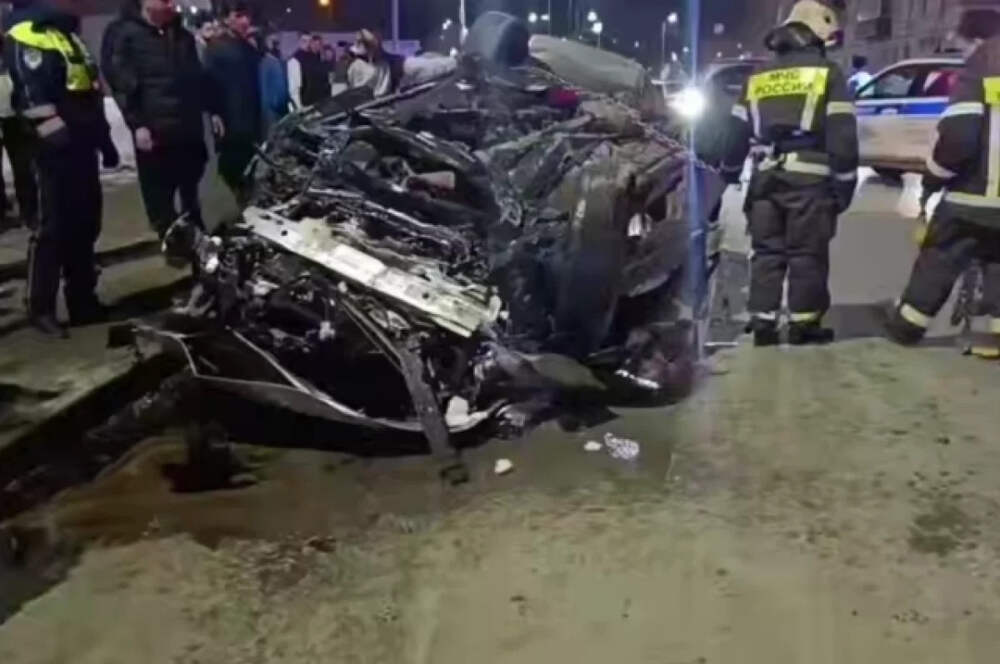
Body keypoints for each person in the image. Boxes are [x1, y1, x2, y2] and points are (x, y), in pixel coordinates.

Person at [720, 0, 858, 346]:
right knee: (806, 254)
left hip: (765, 180)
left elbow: (735, 132)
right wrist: (844, 185)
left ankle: (763, 323)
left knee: (766, 252)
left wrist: (730, 171)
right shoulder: (828, 73)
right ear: (816, 34)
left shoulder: (758, 76)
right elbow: (842, 135)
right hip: (810, 184)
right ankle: (803, 325)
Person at [885, 9, 1000, 357]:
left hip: (974, 196)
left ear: (977, 40)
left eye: (961, 43)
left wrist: (934, 176)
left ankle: (907, 325)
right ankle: (994, 334)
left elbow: (959, 138)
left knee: (941, 254)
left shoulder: (981, 67)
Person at [5, 2, 119, 336]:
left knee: (85, 225)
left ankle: (82, 300)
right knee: (52, 228)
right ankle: (41, 307)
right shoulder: (27, 34)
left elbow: (90, 92)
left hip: (82, 146)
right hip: (51, 151)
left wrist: (104, 141)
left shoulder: (68, 34)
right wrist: (55, 136)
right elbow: (30, 94)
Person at [101, 0, 211, 238]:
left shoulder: (182, 36)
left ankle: (196, 235)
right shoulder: (124, 34)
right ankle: (170, 236)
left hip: (187, 127)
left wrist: (208, 111)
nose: (172, 4)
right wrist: (137, 124)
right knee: (160, 192)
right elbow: (121, 83)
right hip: (154, 130)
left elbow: (196, 79)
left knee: (191, 185)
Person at [204, 1, 260, 201]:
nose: (245, 21)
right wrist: (214, 113)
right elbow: (208, 83)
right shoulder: (216, 48)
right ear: (227, 19)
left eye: (247, 16)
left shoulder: (249, 47)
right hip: (230, 120)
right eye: (238, 16)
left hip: (252, 120)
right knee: (231, 168)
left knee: (250, 168)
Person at [0, 42, 38, 231]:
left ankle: (29, 212)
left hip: (14, 116)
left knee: (24, 166)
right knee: (23, 166)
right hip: (10, 113)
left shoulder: (10, 49)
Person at [287, 33, 328, 109]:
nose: (307, 43)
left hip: (317, 100)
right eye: (304, 41)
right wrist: (299, 107)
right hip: (305, 102)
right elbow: (294, 89)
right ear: (298, 41)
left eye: (309, 41)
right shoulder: (295, 60)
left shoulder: (313, 57)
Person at [259, 38, 288, 133]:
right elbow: (280, 93)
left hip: (261, 112)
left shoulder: (260, 62)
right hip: (273, 112)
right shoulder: (274, 64)